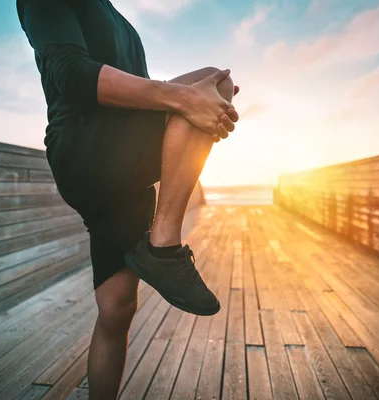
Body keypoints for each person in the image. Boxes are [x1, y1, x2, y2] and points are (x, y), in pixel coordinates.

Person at [16, 0, 239, 397]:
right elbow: (69, 71)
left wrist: (200, 111)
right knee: (211, 81)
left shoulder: (117, 19)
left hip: (123, 182)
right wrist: (190, 100)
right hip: (86, 147)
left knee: (117, 310)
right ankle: (163, 245)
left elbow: (147, 104)